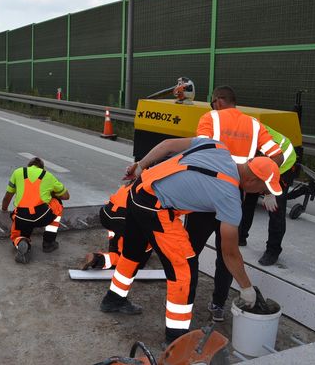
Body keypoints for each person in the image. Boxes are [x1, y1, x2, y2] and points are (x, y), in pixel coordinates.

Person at [99, 137, 279, 345]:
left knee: (133, 252)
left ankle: (113, 299)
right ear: (253, 181)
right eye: (264, 189)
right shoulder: (230, 198)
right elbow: (229, 253)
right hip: (155, 208)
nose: (262, 193)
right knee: (184, 270)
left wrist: (139, 166)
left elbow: (166, 145)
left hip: (138, 190)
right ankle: (175, 338)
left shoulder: (217, 146)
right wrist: (246, 287)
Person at [196, 85, 284, 323]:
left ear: (218, 101)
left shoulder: (210, 118)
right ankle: (218, 305)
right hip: (235, 196)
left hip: (205, 195)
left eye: (213, 103)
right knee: (228, 252)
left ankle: (185, 299)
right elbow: (278, 156)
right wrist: (264, 182)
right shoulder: (254, 125)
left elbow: (200, 151)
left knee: (190, 251)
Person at [239, 124, 297, 266]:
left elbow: (272, 163)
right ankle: (240, 236)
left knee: (275, 208)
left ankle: (273, 250)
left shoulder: (253, 135)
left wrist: (269, 191)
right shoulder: (234, 131)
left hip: (282, 164)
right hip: (259, 163)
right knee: (248, 198)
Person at [0, 157, 69, 264]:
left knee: (17, 235)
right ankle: (49, 242)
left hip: (22, 216)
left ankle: (22, 242)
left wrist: (3, 209)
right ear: (42, 168)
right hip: (43, 216)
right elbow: (66, 196)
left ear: (29, 166)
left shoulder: (17, 173)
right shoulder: (48, 175)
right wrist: (50, 193)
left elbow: (7, 196)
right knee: (57, 203)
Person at [81, 183, 152, 270]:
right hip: (123, 218)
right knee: (135, 261)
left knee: (120, 233)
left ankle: (114, 246)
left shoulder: (144, 175)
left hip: (108, 211)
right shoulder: (161, 185)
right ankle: (98, 259)